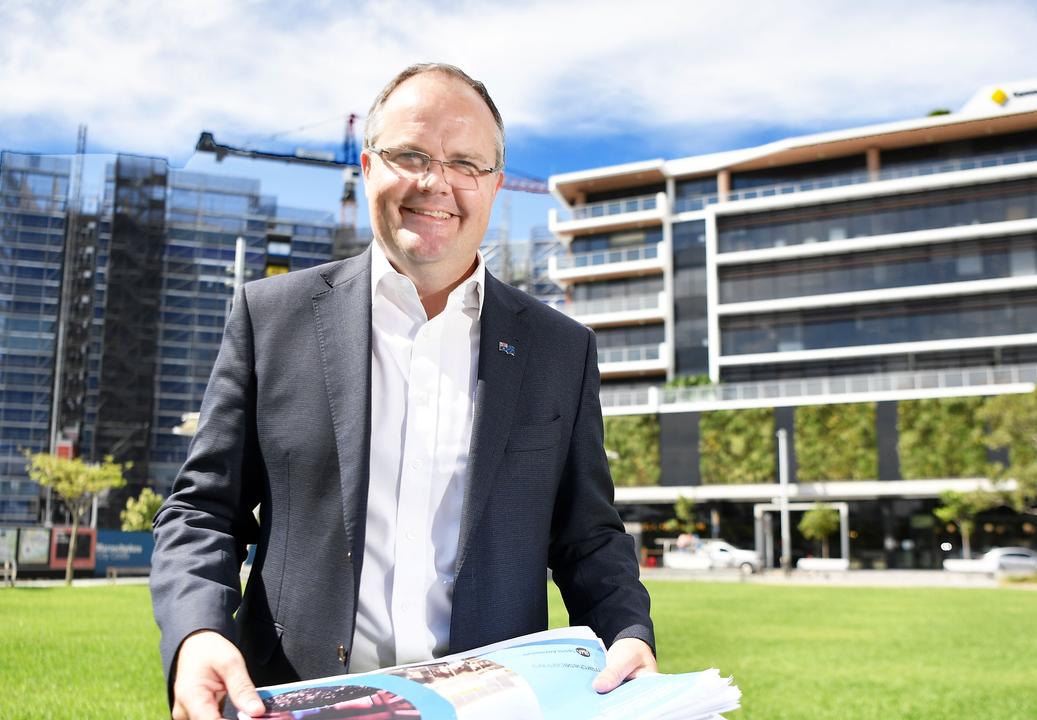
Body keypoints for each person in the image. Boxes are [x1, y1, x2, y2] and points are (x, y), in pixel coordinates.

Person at [151, 63, 657, 720]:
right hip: (290, 701)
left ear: (496, 184)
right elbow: (202, 512)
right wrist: (197, 631)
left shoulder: (561, 350)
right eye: (410, 155)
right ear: (368, 166)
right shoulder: (270, 318)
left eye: (465, 163)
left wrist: (628, 634)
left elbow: (588, 535)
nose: (436, 182)